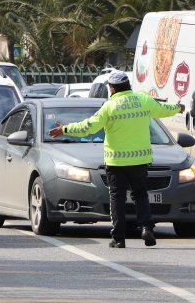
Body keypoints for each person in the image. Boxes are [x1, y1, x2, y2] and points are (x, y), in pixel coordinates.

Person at [49, 71, 183, 248]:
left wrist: (65, 130)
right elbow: (164, 110)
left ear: (112, 88)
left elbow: (88, 127)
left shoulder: (109, 106)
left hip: (116, 162)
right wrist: (178, 108)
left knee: (117, 199)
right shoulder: (143, 100)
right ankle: (146, 228)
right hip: (139, 160)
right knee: (141, 194)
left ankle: (119, 238)